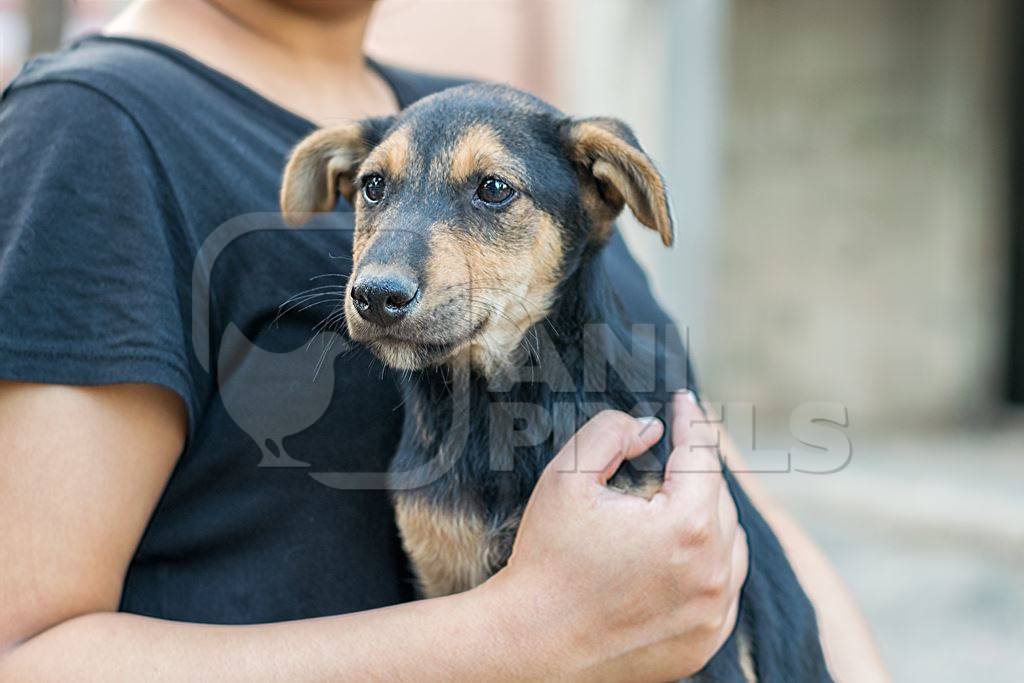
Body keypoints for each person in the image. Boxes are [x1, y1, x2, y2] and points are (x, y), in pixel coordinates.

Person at [0, 1, 886, 680]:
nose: (387, 262)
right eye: (372, 193)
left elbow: (719, 487)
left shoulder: (510, 129)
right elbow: (24, 652)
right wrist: (527, 633)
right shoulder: (91, 129)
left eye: (491, 194)